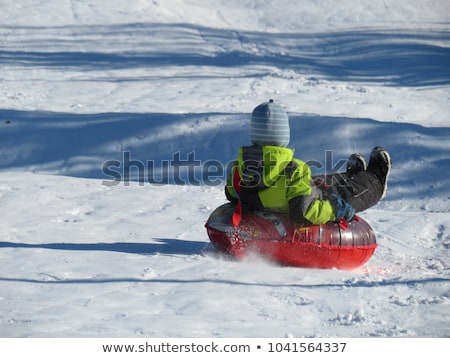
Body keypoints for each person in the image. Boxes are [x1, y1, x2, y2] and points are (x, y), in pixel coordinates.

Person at [225, 99, 391, 226]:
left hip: (288, 198)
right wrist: (336, 209)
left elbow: (232, 193)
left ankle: (352, 175)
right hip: (305, 202)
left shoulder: (240, 167)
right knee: (344, 193)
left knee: (319, 182)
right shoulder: (295, 170)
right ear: (283, 137)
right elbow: (305, 212)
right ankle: (375, 181)